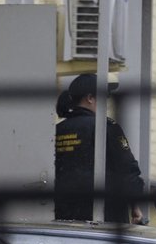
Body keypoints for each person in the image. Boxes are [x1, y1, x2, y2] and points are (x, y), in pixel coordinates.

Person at [54, 74, 144, 223]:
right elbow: (127, 170)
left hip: (64, 218)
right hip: (104, 218)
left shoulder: (57, 130)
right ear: (90, 98)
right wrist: (135, 206)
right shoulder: (106, 127)